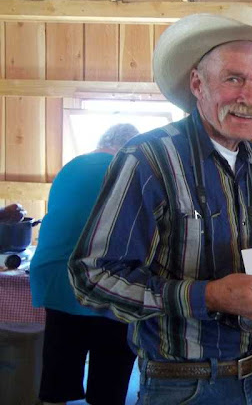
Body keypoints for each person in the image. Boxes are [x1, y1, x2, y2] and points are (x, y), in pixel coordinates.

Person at [68, 7, 252, 405]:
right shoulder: (148, 160)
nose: (248, 97)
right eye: (234, 78)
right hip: (182, 387)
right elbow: (91, 278)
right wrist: (207, 296)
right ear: (197, 83)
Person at [30, 123, 140, 405]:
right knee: (108, 383)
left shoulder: (71, 166)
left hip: (56, 278)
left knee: (57, 375)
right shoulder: (129, 168)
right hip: (107, 283)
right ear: (129, 146)